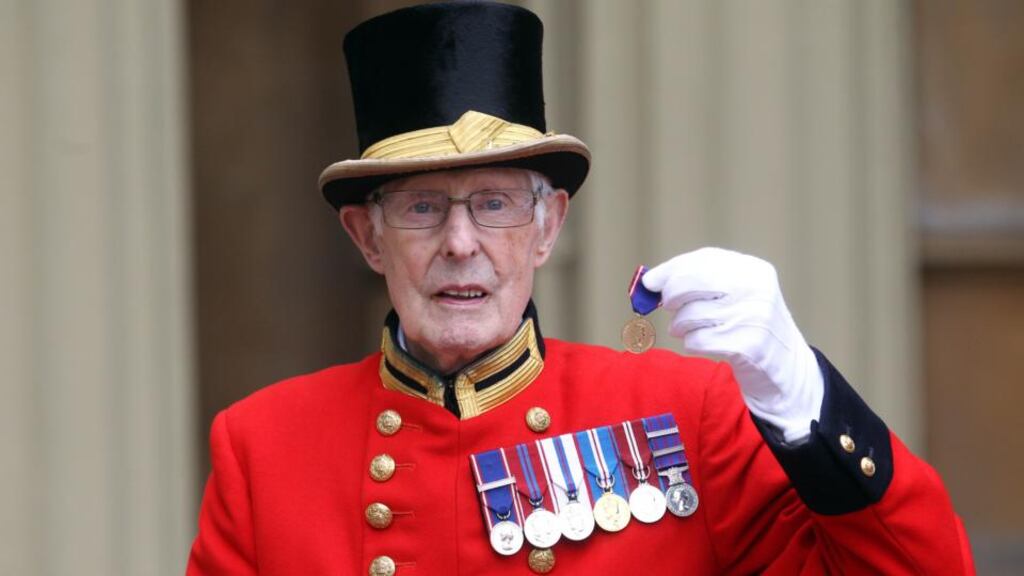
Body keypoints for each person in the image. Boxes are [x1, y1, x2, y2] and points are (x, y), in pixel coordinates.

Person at [187, 2, 974, 575]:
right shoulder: (264, 448)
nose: (461, 244)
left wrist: (803, 401)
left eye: (494, 204)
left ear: (547, 227)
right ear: (366, 237)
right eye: (423, 208)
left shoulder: (687, 416)